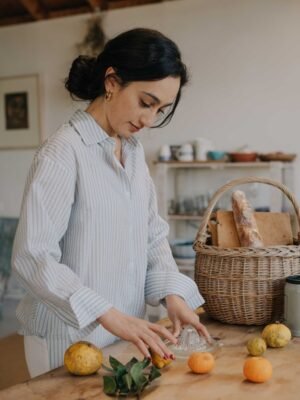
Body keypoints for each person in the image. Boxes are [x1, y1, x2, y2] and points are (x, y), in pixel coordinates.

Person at [12, 28, 209, 378]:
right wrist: (109, 314)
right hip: (68, 341)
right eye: (146, 102)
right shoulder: (63, 152)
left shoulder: (132, 154)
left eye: (159, 109)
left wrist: (173, 296)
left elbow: (151, 236)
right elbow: (34, 257)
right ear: (112, 82)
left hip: (128, 337)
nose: (149, 120)